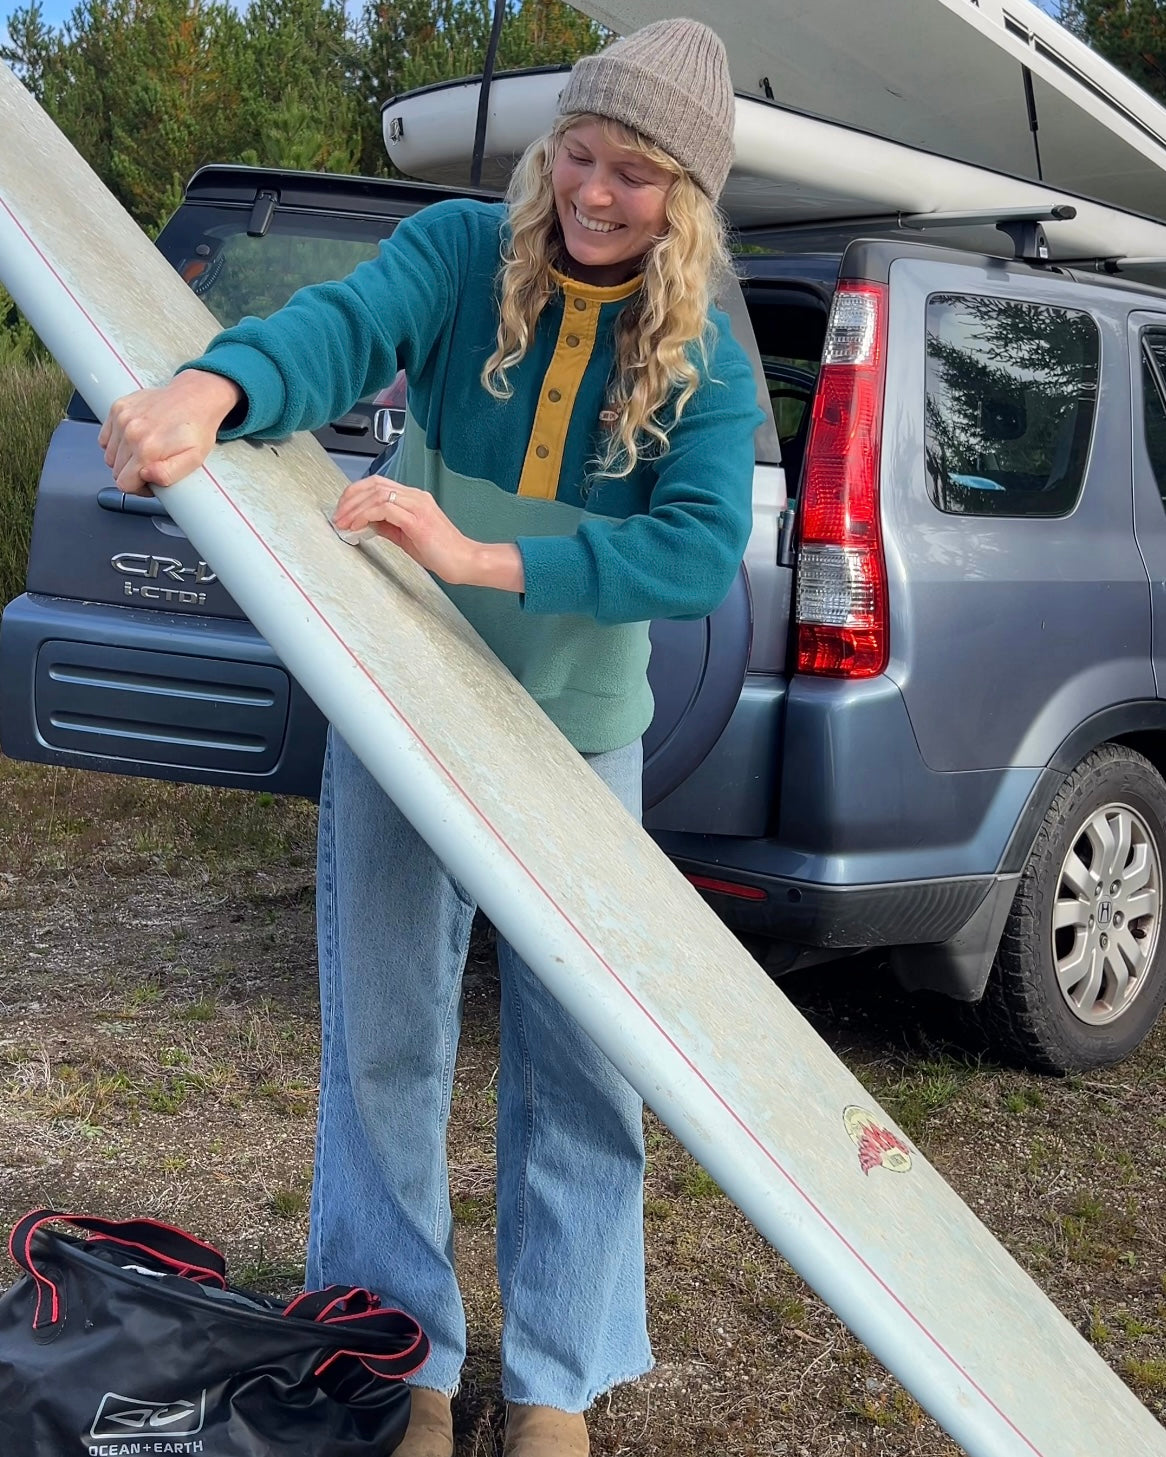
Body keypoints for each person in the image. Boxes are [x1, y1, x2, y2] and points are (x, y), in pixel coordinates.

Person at [99, 18, 761, 1455]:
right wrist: (216, 385)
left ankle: (555, 1385)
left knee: (584, 1067)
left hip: (576, 741)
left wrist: (476, 556)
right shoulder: (464, 251)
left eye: (635, 172)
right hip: (405, 701)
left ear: (686, 197)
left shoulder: (705, 342)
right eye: (579, 153)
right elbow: (340, 329)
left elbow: (701, 548)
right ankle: (393, 1357)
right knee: (384, 1043)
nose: (595, 192)